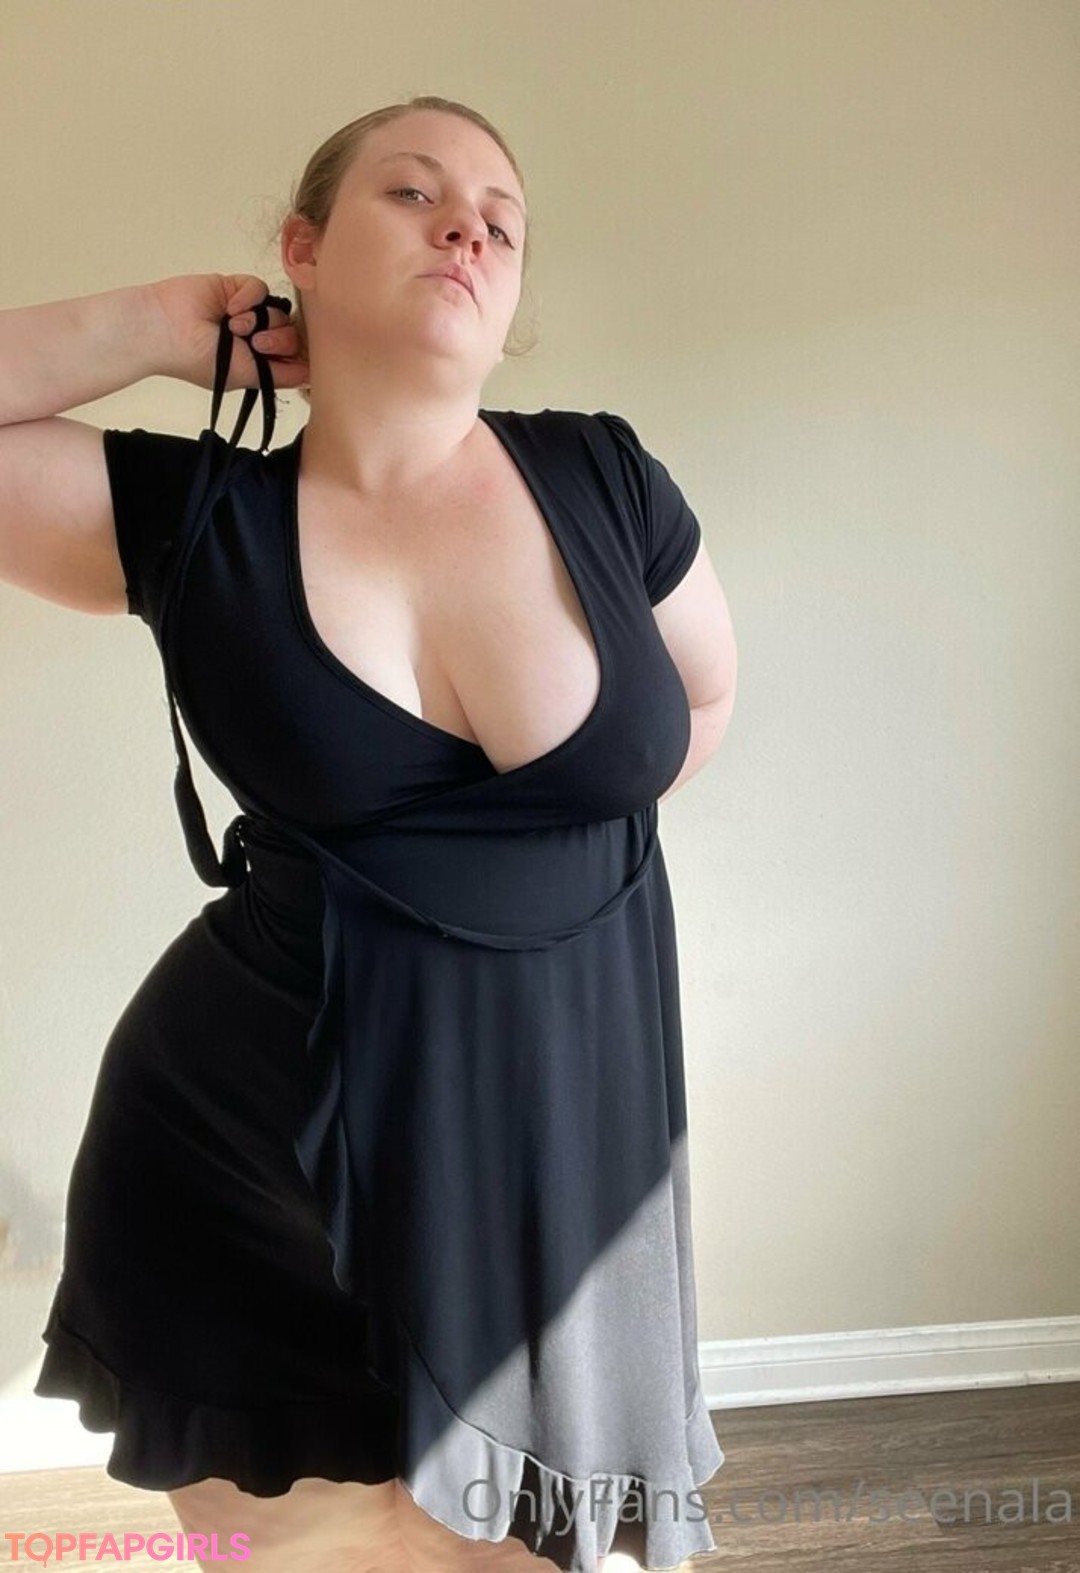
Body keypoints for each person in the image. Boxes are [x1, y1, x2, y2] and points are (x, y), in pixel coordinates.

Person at [2, 95, 738, 1572]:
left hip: (551, 1166)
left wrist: (517, 919)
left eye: (502, 219)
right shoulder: (195, 517)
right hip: (245, 1166)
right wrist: (156, 323)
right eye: (412, 192)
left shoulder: (604, 477)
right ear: (303, 249)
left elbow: (702, 703)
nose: (468, 224)